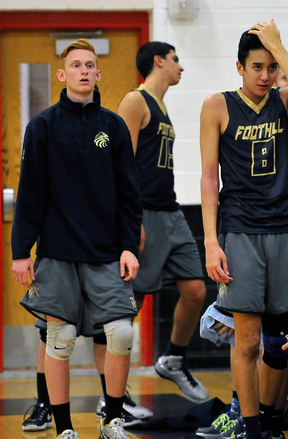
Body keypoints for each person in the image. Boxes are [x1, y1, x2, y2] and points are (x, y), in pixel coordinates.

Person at [11, 39, 142, 439]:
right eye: (76, 65)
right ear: (62, 74)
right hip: (57, 251)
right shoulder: (43, 126)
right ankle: (64, 428)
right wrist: (21, 251)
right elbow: (30, 191)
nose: (84, 70)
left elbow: (128, 193)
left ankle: (112, 421)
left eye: (90, 64)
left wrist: (128, 246)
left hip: (106, 251)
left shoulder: (113, 126)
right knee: (61, 339)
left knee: (121, 332)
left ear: (98, 74)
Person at [200, 20, 288, 439]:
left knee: (278, 341)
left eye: (272, 67)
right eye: (257, 67)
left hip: (284, 227)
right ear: (239, 67)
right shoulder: (217, 105)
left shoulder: (283, 101)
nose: (266, 76)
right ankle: (249, 426)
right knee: (247, 340)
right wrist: (211, 241)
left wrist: (279, 45)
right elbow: (208, 179)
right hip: (240, 230)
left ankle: (270, 419)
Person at [117, 40, 209, 403]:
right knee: (131, 304)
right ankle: (115, 396)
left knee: (196, 290)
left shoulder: (161, 105)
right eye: (176, 59)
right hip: (145, 213)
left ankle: (172, 358)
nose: (181, 67)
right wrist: (130, 219)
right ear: (158, 61)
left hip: (171, 212)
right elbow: (121, 165)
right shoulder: (135, 100)